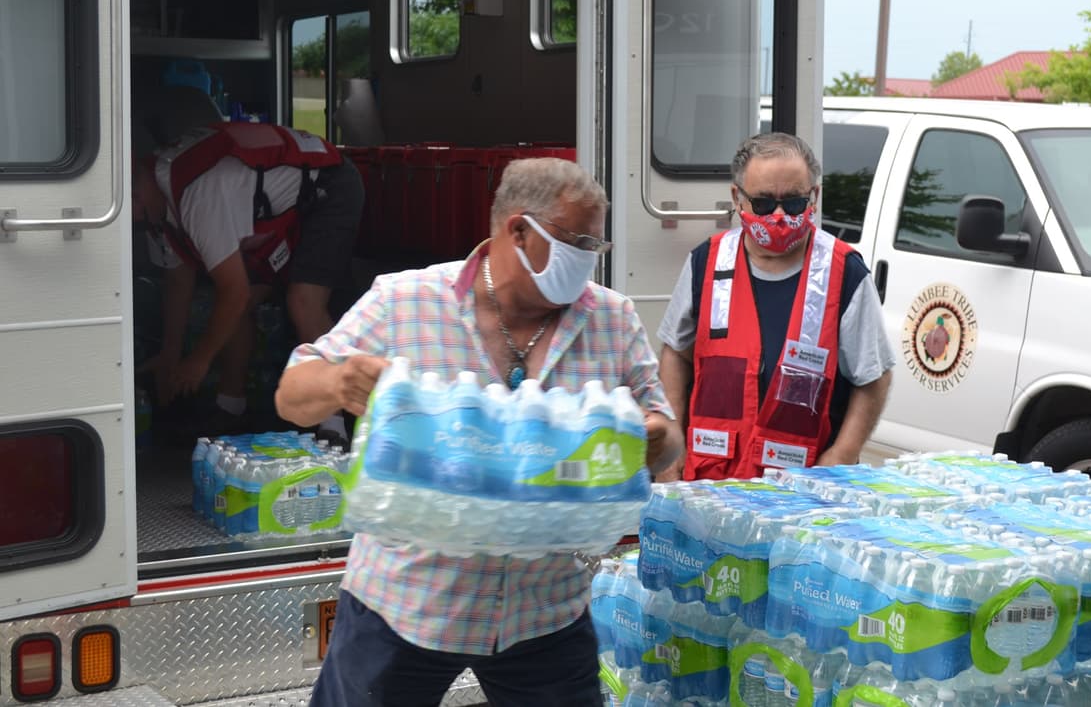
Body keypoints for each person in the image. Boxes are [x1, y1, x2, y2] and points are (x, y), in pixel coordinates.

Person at [275, 157, 682, 707]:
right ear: (518, 229)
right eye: (577, 243)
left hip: (545, 611)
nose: (587, 259)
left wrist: (654, 438)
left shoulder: (611, 319)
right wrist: (337, 381)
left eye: (596, 247)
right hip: (405, 605)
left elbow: (666, 434)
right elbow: (291, 397)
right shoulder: (405, 301)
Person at [656, 132, 894, 481]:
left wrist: (842, 455)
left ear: (815, 195)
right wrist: (671, 448)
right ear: (738, 198)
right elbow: (676, 353)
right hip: (709, 484)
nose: (780, 216)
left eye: (794, 203)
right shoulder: (706, 262)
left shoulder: (845, 272)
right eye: (765, 203)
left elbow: (873, 376)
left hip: (803, 493)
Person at [132, 89, 363, 441]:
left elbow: (234, 292)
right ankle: (231, 408)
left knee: (303, 302)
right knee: (236, 310)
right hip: (268, 210)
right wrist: (170, 354)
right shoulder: (156, 206)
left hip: (326, 187)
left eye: (131, 208)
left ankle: (334, 425)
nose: (131, 220)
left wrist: (198, 360)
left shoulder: (197, 196)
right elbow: (178, 283)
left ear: (139, 187)